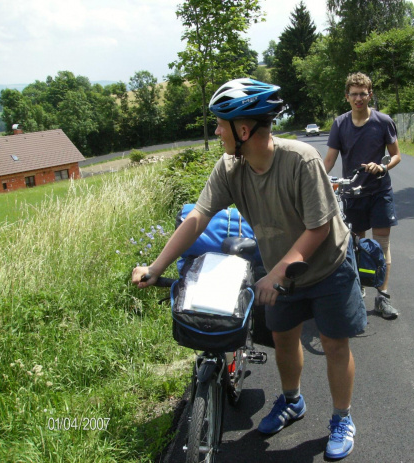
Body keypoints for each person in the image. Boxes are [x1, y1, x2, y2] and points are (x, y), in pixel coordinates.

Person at [131, 78, 366, 460]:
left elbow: (319, 227)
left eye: (221, 124)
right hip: (279, 267)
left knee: (334, 344)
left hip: (327, 266)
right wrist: (157, 266)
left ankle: (342, 418)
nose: (217, 131)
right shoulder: (230, 168)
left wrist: (276, 274)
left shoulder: (301, 160)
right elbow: (197, 219)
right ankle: (292, 401)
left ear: (244, 129)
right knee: (285, 340)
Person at [324, 72, 402, 321]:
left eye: (363, 93)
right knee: (356, 246)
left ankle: (383, 296)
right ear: (347, 97)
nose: (359, 98)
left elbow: (396, 155)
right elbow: (329, 159)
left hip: (379, 191)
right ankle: (359, 289)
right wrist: (315, 178)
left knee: (381, 245)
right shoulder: (340, 124)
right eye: (354, 94)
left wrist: (383, 167)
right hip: (352, 192)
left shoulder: (383, 121)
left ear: (370, 94)